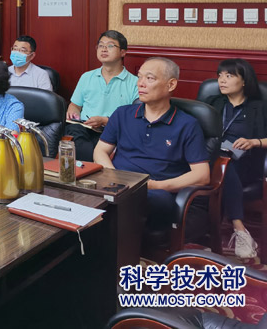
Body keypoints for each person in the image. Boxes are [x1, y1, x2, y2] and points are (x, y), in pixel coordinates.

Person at [94, 57, 209, 231]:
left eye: (149, 78)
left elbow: (202, 175)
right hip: (117, 185)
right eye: (139, 77)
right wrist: (114, 176)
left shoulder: (187, 124)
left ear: (171, 84)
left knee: (130, 202)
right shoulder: (122, 114)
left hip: (156, 192)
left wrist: (157, 185)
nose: (140, 83)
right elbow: (100, 151)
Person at [203, 59, 266, 258]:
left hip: (245, 161)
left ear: (244, 80)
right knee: (221, 162)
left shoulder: (259, 107)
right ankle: (233, 231)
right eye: (220, 75)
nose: (222, 80)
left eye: (229, 76)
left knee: (224, 166)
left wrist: (254, 142)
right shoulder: (212, 102)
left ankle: (233, 231)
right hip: (211, 157)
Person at [66, 30, 139, 161]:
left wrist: (105, 121)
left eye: (110, 45)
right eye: (101, 45)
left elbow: (134, 119)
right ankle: (95, 165)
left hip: (113, 131)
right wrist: (73, 113)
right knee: (73, 133)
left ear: (123, 52)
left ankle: (91, 166)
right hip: (84, 128)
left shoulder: (135, 83)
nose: (104, 49)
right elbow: (75, 105)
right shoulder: (87, 77)